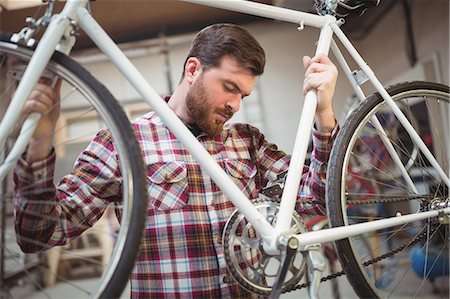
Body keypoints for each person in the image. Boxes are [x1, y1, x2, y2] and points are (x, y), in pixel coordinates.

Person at [14, 23, 339, 298]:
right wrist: (39, 144)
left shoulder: (247, 141)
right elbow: (38, 234)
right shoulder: (123, 142)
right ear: (193, 70)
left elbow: (316, 200)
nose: (235, 105)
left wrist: (324, 115)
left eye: (243, 94)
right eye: (229, 87)